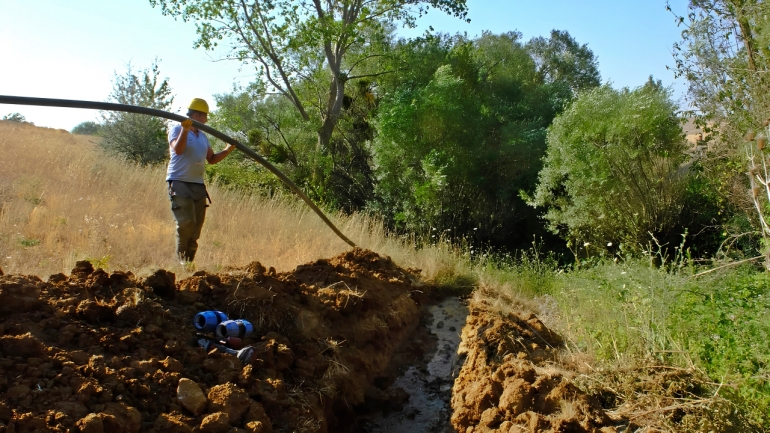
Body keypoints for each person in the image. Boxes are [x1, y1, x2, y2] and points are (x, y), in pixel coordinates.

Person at [167, 98, 235, 263]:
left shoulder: (203, 136)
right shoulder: (177, 129)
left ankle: (189, 265)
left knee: (196, 227)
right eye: (205, 116)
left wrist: (228, 149)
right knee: (186, 223)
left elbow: (211, 158)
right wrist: (185, 130)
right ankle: (180, 262)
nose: (207, 120)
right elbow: (178, 149)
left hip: (198, 185)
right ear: (197, 115)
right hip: (179, 181)